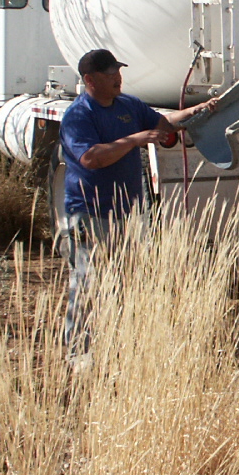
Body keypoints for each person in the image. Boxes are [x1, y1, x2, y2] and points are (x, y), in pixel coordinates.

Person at [59, 48, 216, 352]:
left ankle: (116, 348)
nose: (118, 78)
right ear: (90, 80)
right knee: (88, 285)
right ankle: (80, 356)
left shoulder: (128, 105)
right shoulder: (79, 115)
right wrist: (135, 139)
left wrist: (197, 112)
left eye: (118, 72)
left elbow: (165, 124)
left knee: (123, 285)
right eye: (109, 74)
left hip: (128, 213)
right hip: (92, 214)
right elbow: (91, 158)